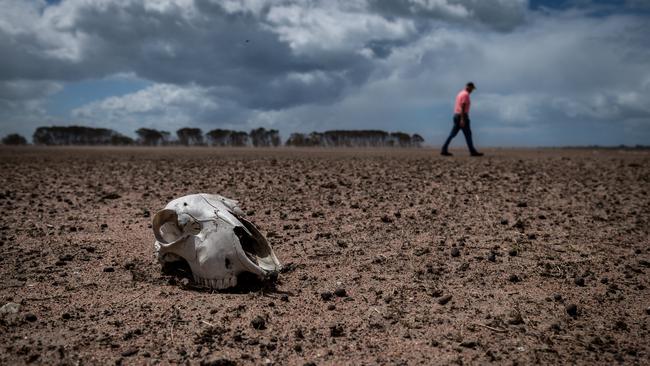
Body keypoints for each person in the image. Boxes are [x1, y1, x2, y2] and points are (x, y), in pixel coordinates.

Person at [441, 82, 483, 157]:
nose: (472, 91)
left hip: (456, 115)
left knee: (452, 134)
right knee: (468, 134)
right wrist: (462, 119)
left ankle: (444, 149)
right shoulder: (465, 95)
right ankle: (472, 151)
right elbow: (463, 106)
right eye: (472, 89)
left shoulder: (460, 93)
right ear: (468, 87)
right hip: (462, 116)